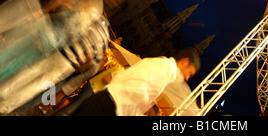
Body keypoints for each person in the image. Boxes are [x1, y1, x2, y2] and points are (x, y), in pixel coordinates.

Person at [72, 47, 201, 116]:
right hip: (108, 106)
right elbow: (139, 87)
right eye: (189, 73)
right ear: (185, 62)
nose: (187, 78)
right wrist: (149, 109)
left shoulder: (163, 67)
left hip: (109, 104)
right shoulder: (165, 67)